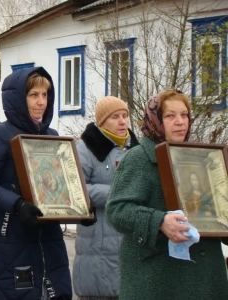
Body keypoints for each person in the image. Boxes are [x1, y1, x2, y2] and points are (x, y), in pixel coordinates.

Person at [105, 90, 228, 300]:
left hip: (206, 277)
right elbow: (117, 210)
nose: (180, 122)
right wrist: (159, 221)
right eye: (170, 116)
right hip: (157, 278)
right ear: (155, 120)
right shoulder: (139, 158)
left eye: (184, 115)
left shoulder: (201, 158)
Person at [0, 67, 75, 299]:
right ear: (18, 98)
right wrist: (17, 204)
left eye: (45, 95)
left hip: (48, 239)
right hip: (8, 238)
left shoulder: (52, 135)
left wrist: (80, 207)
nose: (41, 102)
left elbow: (63, 183)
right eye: (33, 95)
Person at [73, 96, 139, 300]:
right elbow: (77, 189)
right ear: (101, 122)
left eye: (125, 116)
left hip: (129, 238)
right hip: (96, 241)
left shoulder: (136, 149)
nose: (122, 121)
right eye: (115, 117)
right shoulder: (84, 148)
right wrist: (117, 194)